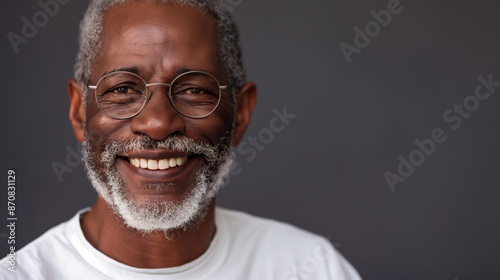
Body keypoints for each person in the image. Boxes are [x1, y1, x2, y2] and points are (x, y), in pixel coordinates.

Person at [1, 0, 361, 279]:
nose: (157, 123)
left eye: (193, 90)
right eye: (123, 89)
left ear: (240, 113)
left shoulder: (312, 267)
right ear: (80, 111)